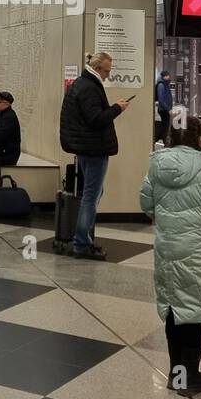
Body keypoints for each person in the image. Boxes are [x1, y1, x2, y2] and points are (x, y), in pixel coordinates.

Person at [141, 119, 201, 396]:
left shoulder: (156, 166)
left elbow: (145, 203)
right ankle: (190, 376)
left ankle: (176, 373)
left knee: (173, 308)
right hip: (199, 250)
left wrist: (167, 221)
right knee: (193, 311)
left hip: (167, 249)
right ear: (200, 139)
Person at [60, 50, 132, 260]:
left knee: (93, 193)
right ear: (98, 68)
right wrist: (117, 109)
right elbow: (96, 119)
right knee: (91, 196)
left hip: (85, 147)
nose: (108, 75)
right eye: (107, 71)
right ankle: (82, 243)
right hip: (94, 149)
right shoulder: (90, 87)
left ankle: (84, 241)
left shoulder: (82, 84)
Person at [154, 69, 173, 145]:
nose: (169, 77)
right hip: (163, 110)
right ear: (164, 76)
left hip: (165, 109)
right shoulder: (161, 85)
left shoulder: (165, 84)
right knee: (165, 126)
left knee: (164, 125)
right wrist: (168, 109)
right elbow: (161, 99)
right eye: (167, 75)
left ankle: (162, 139)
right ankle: (163, 140)